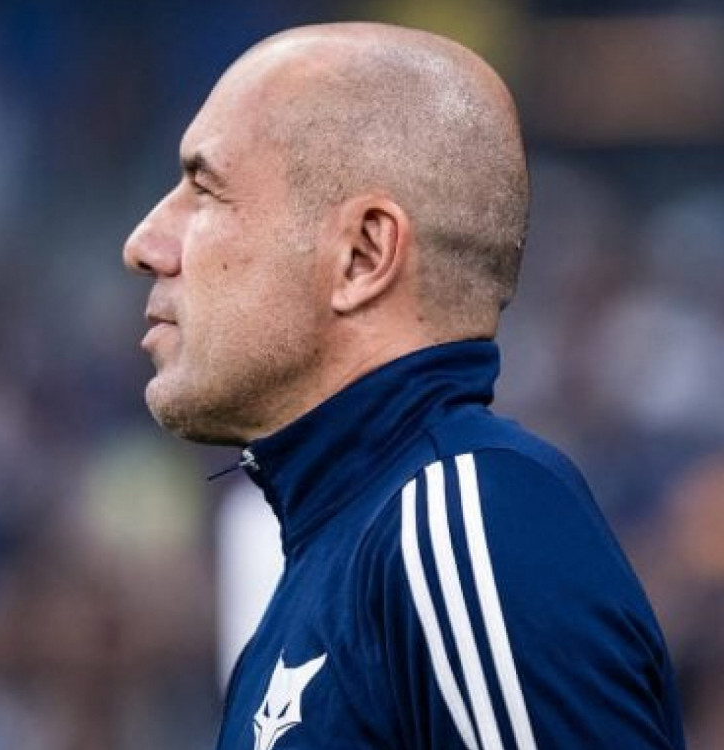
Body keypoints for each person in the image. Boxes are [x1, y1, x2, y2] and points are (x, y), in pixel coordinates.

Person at [123, 21, 685, 750]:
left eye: (205, 188)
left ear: (362, 254)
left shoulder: (465, 520)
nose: (144, 244)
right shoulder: (343, 555)